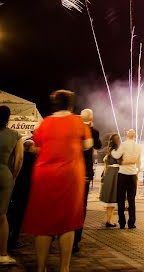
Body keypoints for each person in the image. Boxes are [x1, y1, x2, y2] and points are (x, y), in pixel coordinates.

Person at [23, 90, 93, 272]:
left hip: (45, 176)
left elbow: (37, 147)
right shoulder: (78, 121)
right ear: (70, 104)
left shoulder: (45, 122)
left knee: (43, 224)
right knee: (67, 222)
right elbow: (88, 145)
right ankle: (64, 268)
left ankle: (41, 268)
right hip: (70, 176)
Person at [73, 108, 102, 253]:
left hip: (70, 170)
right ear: (91, 118)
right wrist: (91, 128)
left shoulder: (73, 129)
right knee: (81, 205)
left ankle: (60, 232)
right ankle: (76, 239)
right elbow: (98, 145)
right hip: (84, 171)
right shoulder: (93, 131)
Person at [0, 105, 24, 266]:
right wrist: (13, 176)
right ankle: (2, 254)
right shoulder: (15, 135)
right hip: (4, 176)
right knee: (2, 216)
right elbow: (19, 159)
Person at [7, 137, 36, 249]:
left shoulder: (17, 157)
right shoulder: (34, 159)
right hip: (26, 188)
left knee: (11, 212)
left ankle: (8, 236)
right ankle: (14, 238)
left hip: (16, 185)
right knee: (19, 215)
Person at [111, 128, 141, 229]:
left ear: (127, 134)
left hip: (123, 174)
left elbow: (116, 155)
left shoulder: (123, 145)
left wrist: (112, 150)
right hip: (133, 175)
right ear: (135, 135)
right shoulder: (138, 147)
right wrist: (137, 172)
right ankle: (131, 223)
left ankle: (122, 222)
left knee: (121, 199)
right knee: (131, 200)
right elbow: (139, 161)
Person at [99, 133, 121, 227]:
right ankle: (109, 221)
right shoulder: (116, 151)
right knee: (112, 199)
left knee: (109, 199)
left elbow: (105, 164)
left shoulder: (108, 151)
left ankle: (108, 220)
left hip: (108, 174)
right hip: (114, 175)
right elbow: (121, 162)